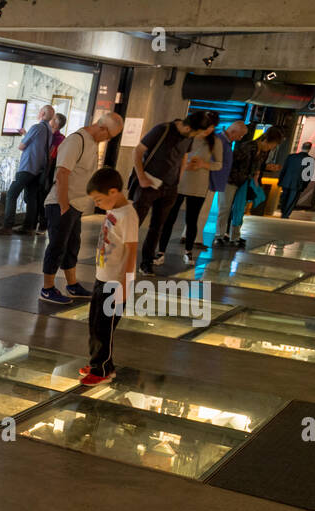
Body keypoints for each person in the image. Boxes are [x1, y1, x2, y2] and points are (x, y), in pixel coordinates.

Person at [39, 112, 124, 304]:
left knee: (72, 246)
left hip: (75, 205)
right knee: (57, 246)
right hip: (61, 204)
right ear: (102, 128)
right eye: (109, 136)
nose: (108, 140)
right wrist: (63, 205)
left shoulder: (92, 143)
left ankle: (72, 285)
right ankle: (47, 288)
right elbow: (62, 174)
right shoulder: (76, 140)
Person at [132, 110, 216, 274]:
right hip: (148, 184)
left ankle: (146, 263)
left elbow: (183, 156)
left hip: (170, 187)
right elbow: (138, 151)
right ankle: (122, 259)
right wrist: (141, 177)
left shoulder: (189, 136)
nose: (197, 136)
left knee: (157, 227)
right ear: (189, 128)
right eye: (197, 133)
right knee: (134, 223)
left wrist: (178, 178)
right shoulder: (162, 130)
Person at [81, 167, 137, 385]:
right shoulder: (114, 209)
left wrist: (124, 284)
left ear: (113, 192)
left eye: (98, 199)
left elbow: (131, 251)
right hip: (103, 277)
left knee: (104, 328)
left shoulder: (128, 215)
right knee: (95, 324)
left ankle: (102, 369)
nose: (97, 204)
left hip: (115, 282)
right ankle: (100, 362)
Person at [157, 122, 223, 265]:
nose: (209, 129)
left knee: (192, 220)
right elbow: (173, 156)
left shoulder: (214, 141)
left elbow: (219, 164)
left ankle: (188, 252)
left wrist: (203, 164)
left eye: (212, 126)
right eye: (207, 125)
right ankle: (161, 252)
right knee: (169, 218)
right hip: (179, 182)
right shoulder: (187, 137)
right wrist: (185, 165)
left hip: (199, 186)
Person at [218, 126, 285, 248]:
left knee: (239, 209)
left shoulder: (264, 152)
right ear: (266, 140)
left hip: (245, 183)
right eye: (272, 145)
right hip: (231, 180)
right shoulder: (248, 146)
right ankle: (219, 235)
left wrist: (264, 169)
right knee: (225, 208)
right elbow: (232, 161)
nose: (272, 148)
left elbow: (257, 166)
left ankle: (235, 236)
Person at [0, 104, 54, 235]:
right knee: (31, 197)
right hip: (39, 169)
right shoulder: (49, 130)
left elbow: (21, 146)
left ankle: (7, 226)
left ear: (42, 114)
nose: (38, 113)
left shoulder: (36, 127)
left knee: (12, 194)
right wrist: (26, 134)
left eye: (40, 111)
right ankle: (28, 227)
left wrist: (25, 136)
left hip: (28, 166)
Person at [210, 120, 248, 245]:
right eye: (240, 135)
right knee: (223, 208)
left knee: (225, 208)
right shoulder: (220, 140)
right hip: (221, 179)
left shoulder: (227, 142)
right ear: (233, 131)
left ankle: (221, 234)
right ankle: (219, 234)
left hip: (224, 179)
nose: (240, 138)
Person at [35, 112, 66, 235]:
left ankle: (43, 225)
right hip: (43, 169)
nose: (50, 120)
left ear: (56, 124)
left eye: (52, 119)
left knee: (43, 196)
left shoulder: (59, 139)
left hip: (49, 171)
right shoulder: (48, 134)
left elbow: (51, 155)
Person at [277, 142, 313, 219]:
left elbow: (284, 169)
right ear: (310, 149)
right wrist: (304, 185)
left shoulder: (291, 156)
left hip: (286, 181)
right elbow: (308, 175)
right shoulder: (310, 160)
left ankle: (283, 211)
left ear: (301, 147)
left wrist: (280, 180)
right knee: (292, 200)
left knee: (284, 197)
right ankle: (285, 214)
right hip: (298, 183)